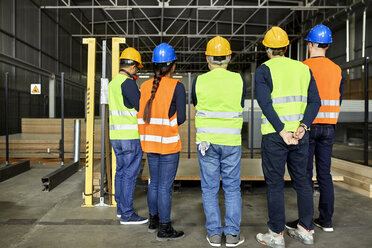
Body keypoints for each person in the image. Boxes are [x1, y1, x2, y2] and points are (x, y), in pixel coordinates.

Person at [255, 27, 321, 248]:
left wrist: (282, 130)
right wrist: (303, 127)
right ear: (285, 48)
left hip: (276, 136)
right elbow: (315, 102)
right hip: (299, 135)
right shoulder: (303, 69)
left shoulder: (264, 70)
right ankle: (306, 230)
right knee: (303, 182)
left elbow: (265, 103)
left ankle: (276, 236)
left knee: (274, 184)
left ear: (267, 49)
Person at [286, 24, 345, 233]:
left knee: (304, 174)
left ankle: (306, 221)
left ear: (310, 44)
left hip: (307, 127)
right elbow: (339, 97)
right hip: (329, 128)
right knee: (325, 174)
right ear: (327, 46)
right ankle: (326, 221)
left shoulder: (302, 67)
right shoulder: (337, 70)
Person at [192, 36, 246, 247]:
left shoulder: (199, 80)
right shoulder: (239, 79)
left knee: (209, 188)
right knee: (232, 188)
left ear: (208, 58)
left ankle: (214, 234)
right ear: (229, 57)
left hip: (206, 143)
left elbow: (196, 103)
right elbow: (239, 104)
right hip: (231, 141)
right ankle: (232, 235)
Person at [137, 43, 186, 241]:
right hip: (168, 144)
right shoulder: (177, 86)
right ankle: (165, 228)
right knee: (165, 186)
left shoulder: (144, 86)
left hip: (150, 144)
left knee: (154, 184)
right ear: (172, 66)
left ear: (154, 66)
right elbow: (181, 117)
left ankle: (153, 220)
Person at [108, 47, 148, 225]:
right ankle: (127, 214)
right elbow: (140, 106)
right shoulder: (128, 83)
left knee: (121, 172)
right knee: (130, 174)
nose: (137, 70)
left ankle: (120, 208)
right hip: (129, 136)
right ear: (131, 66)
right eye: (137, 67)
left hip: (116, 136)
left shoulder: (113, 83)